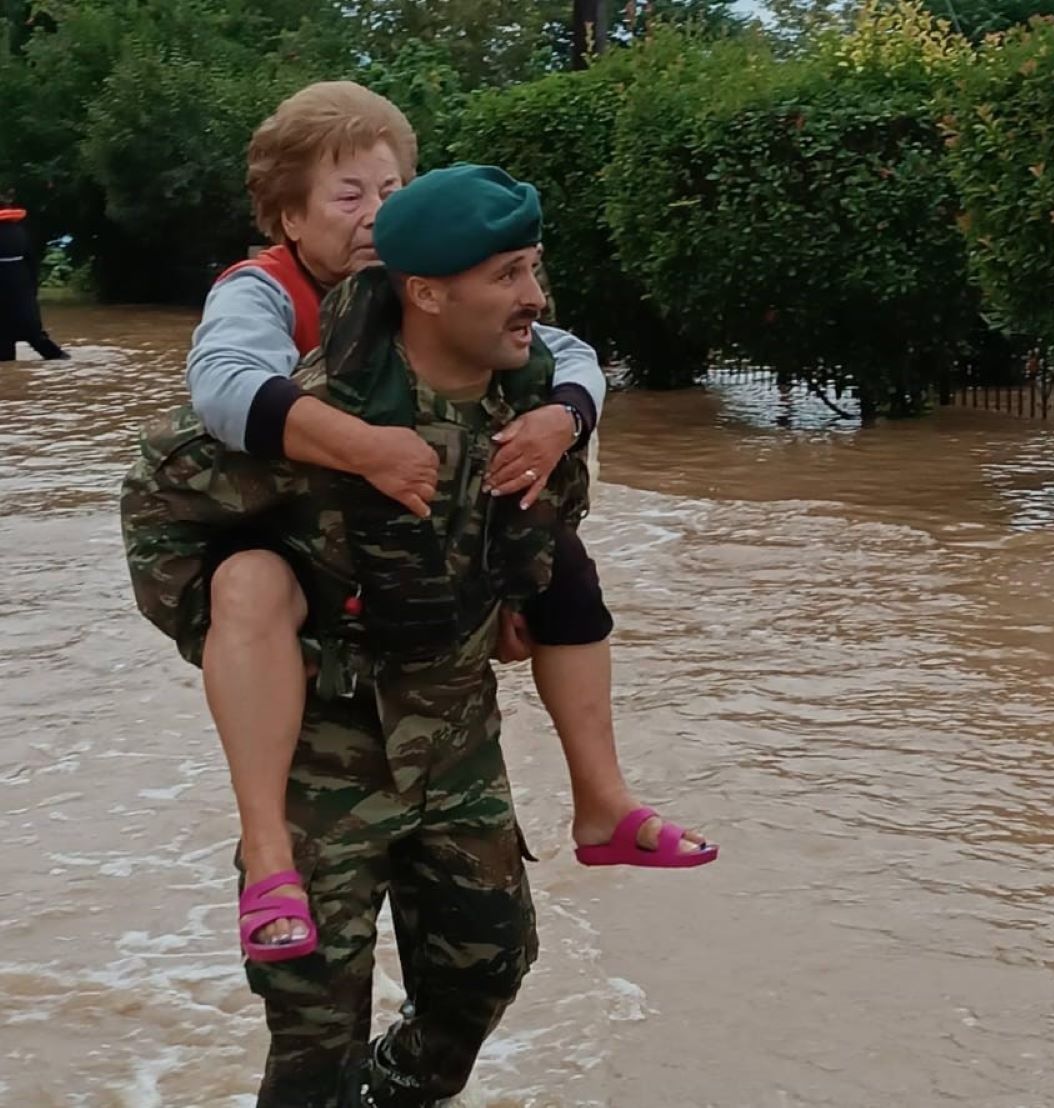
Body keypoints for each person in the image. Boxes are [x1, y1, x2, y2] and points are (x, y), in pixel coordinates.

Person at [122, 164, 640, 1107]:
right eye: (510, 277)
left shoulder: (535, 418)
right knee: (315, 1036)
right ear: (428, 293)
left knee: (486, 968)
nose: (535, 298)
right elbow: (159, 502)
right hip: (323, 759)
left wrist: (507, 604)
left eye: (534, 270)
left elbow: (550, 528)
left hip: (456, 744)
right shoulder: (313, 417)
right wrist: (237, 620)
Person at [185, 82, 715, 958]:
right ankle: (270, 851)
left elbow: (568, 357)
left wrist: (560, 419)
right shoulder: (263, 293)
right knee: (249, 584)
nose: (373, 215)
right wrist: (364, 446)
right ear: (288, 218)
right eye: (346, 195)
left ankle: (602, 799)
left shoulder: (432, 287)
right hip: (289, 527)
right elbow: (225, 387)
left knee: (565, 561)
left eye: (391, 192)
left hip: (416, 566)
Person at [0, 193, 68, 362]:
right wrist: (33, 289)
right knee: (32, 333)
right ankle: (60, 359)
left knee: (5, 339)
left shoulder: (16, 232)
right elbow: (32, 262)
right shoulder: (20, 232)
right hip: (22, 287)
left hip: (10, 287)